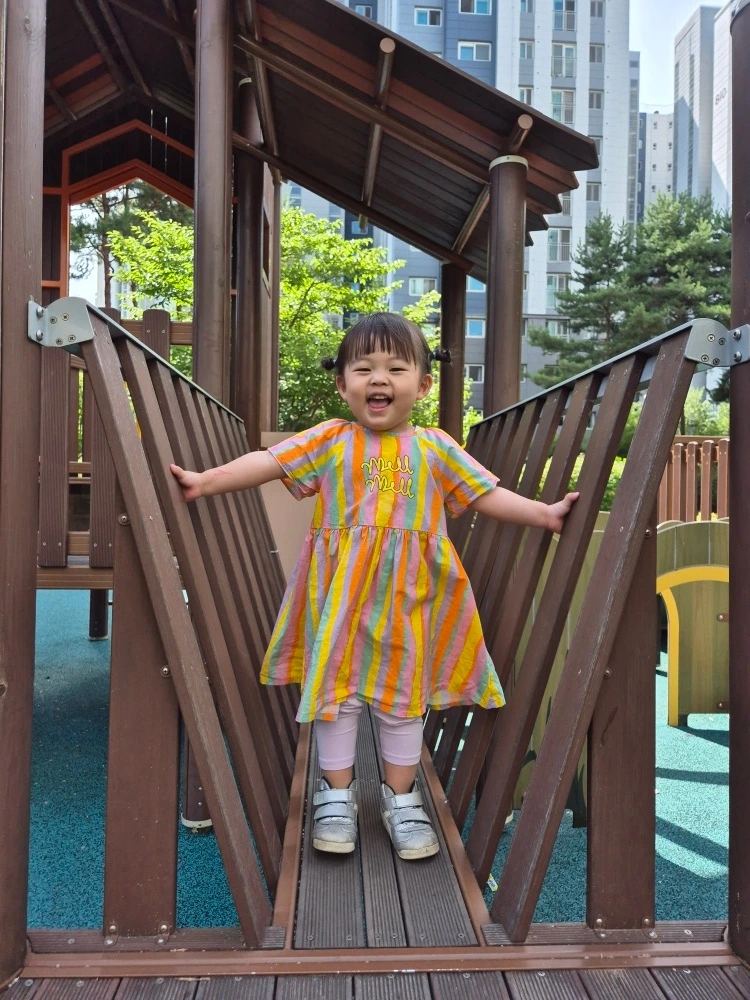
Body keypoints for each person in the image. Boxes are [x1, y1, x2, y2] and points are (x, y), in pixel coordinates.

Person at [171, 313, 578, 862]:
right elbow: (268, 462)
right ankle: (335, 796)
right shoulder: (331, 440)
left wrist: (544, 514)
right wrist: (206, 481)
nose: (378, 378)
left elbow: (484, 493)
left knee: (403, 699)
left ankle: (400, 798)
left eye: (395, 368)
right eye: (363, 368)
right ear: (343, 385)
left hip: (410, 601)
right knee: (336, 696)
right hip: (340, 598)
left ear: (423, 385)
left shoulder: (435, 448)